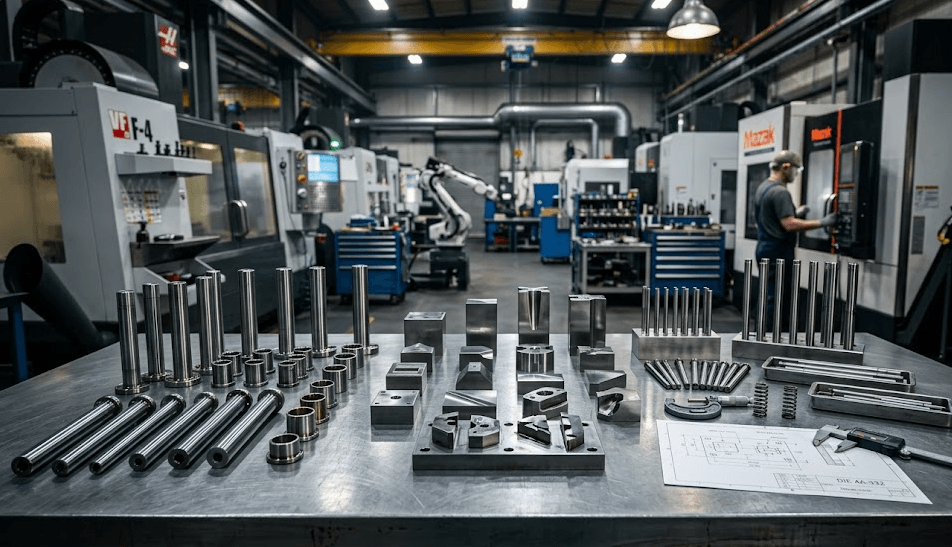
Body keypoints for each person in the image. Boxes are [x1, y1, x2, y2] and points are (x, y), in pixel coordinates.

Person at [754, 150, 837, 332]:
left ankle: (763, 333)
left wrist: (796, 213)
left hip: (764, 247)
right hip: (778, 251)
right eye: (796, 170)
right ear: (786, 167)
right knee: (778, 298)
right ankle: (771, 336)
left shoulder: (764, 187)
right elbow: (789, 224)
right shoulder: (780, 192)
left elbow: (771, 217)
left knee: (768, 294)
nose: (796, 174)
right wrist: (823, 222)